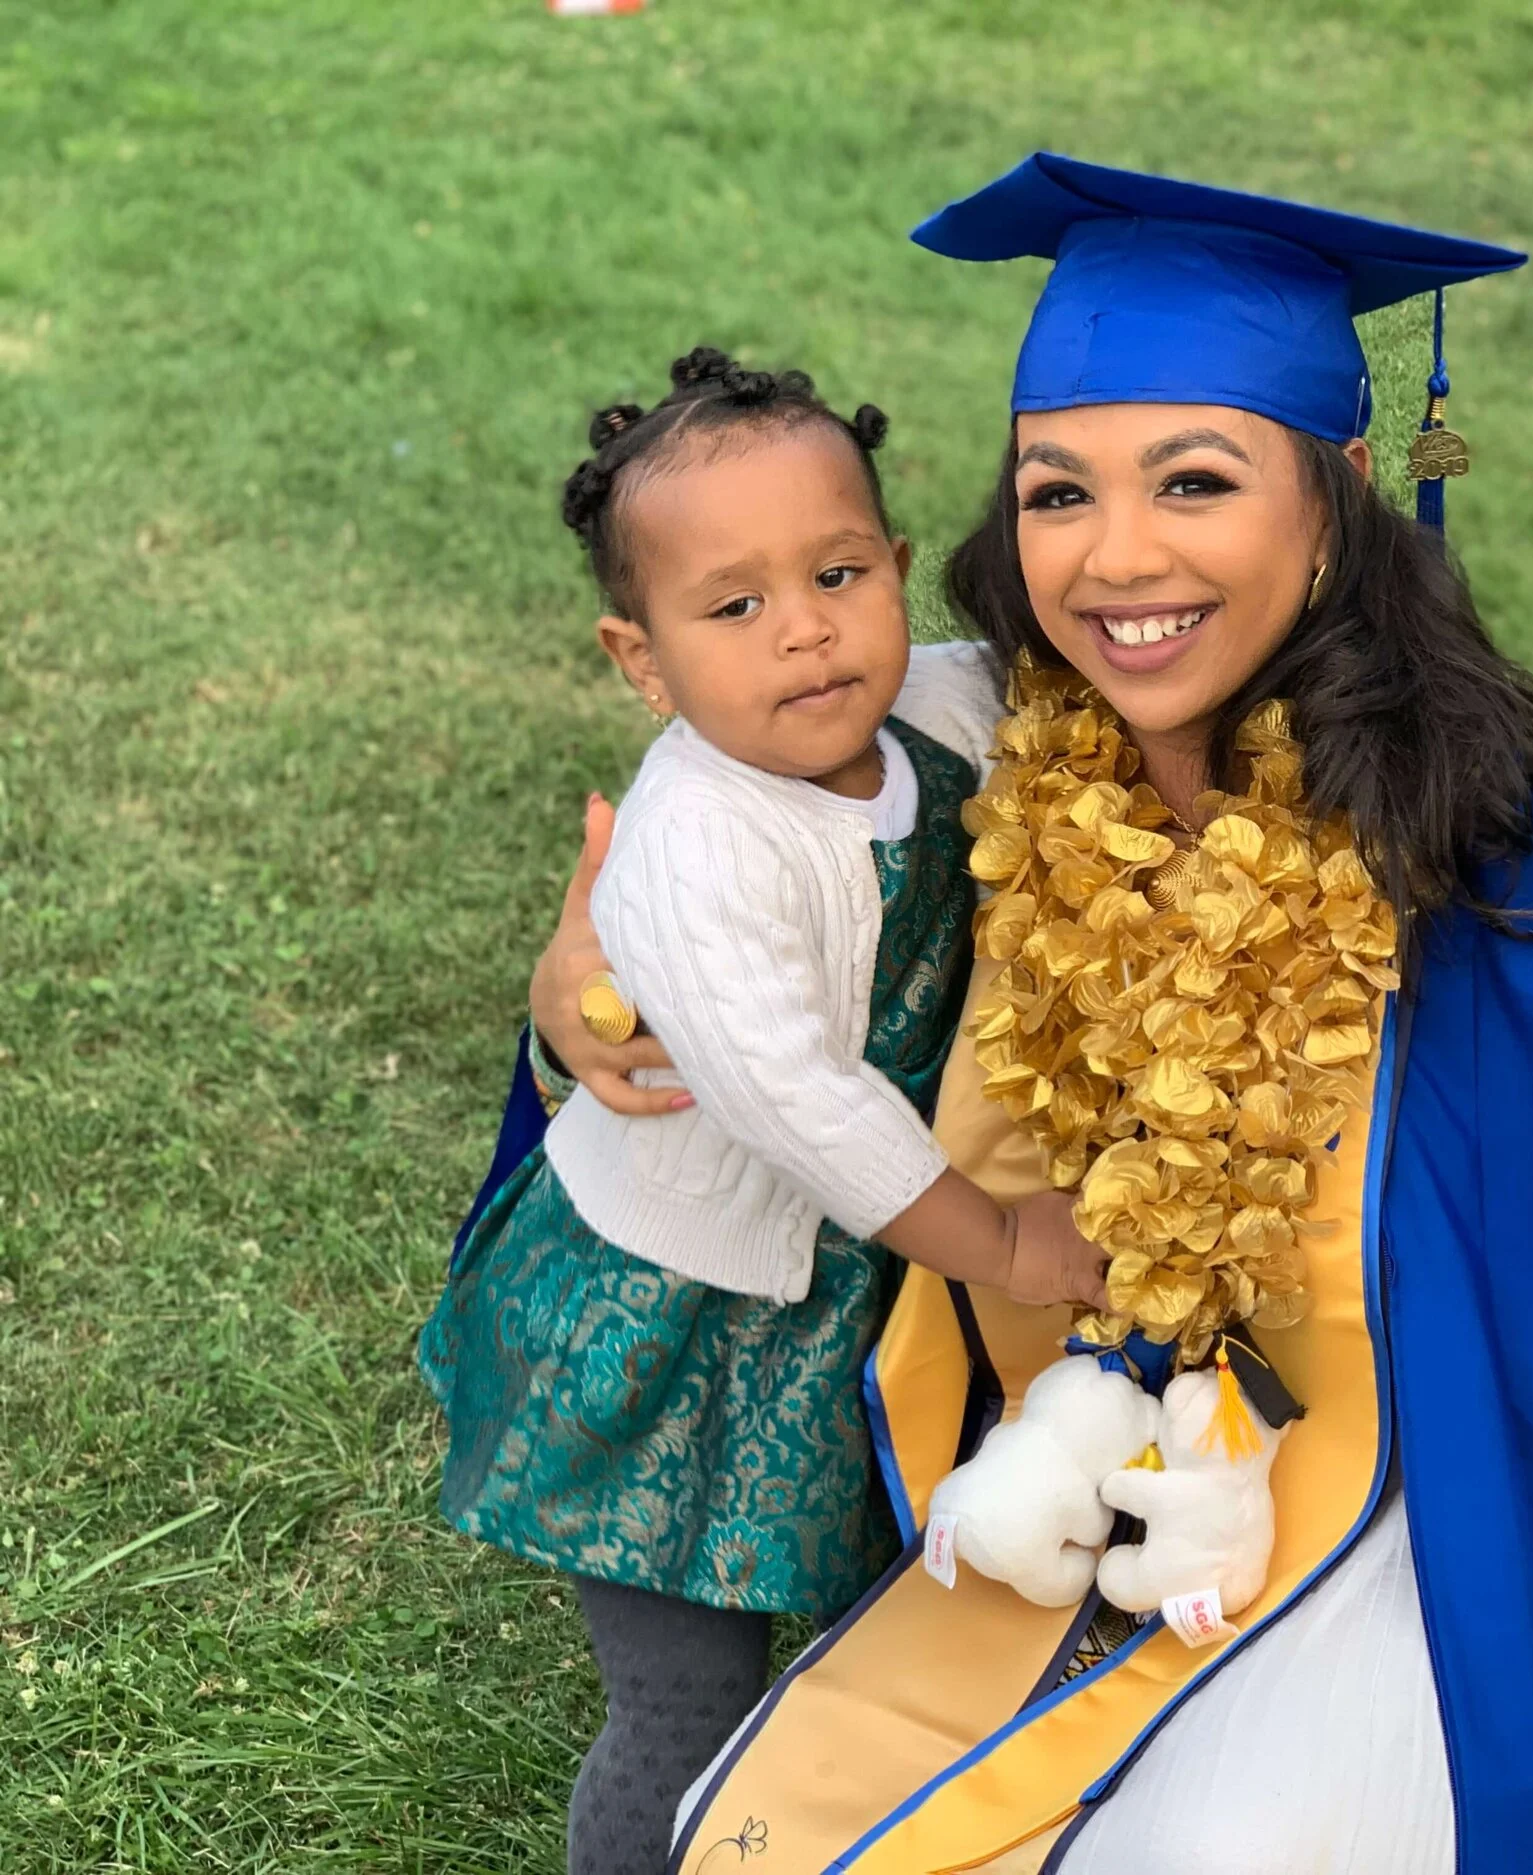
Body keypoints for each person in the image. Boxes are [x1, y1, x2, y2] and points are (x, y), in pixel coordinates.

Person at [491, 158, 1533, 1874]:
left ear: (1339, 497)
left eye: (1196, 480)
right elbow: (763, 933)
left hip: (1418, 1538)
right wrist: (584, 996)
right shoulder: (999, 791)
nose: (1118, 557)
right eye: (1058, 492)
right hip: (1067, 1487)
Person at [418, 346, 1104, 1875]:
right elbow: (803, 1102)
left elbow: (1064, 697)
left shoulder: (933, 704)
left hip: (837, 1286)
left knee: (860, 1643)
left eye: (838, 574)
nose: (803, 628)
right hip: (660, 1315)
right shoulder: (699, 846)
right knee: (688, 1705)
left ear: (897, 570)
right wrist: (1008, 1242)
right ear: (643, 660)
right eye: (732, 607)